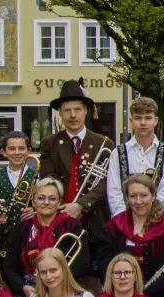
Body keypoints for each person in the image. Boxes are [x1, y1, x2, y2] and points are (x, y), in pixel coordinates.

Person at [103, 173, 164, 297]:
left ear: (153, 196)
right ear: (127, 197)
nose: (138, 201)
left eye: (144, 195)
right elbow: (104, 262)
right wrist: (125, 289)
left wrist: (146, 293)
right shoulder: (114, 226)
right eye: (133, 196)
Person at [0, 178, 92, 297]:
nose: (46, 202)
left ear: (59, 202)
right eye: (41, 198)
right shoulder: (21, 229)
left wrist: (54, 280)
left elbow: (82, 263)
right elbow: (9, 268)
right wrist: (23, 287)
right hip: (29, 289)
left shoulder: (72, 226)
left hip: (63, 287)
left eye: (52, 199)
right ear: (33, 202)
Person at [39, 80, 114, 225]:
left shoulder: (104, 143)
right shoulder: (49, 143)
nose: (73, 115)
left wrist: (80, 205)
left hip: (95, 217)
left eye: (77, 109)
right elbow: (49, 178)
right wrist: (65, 207)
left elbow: (105, 182)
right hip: (61, 214)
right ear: (60, 112)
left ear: (85, 111)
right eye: (67, 110)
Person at [108, 96, 164, 218]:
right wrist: (124, 222)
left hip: (157, 222)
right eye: (138, 118)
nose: (143, 123)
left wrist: (150, 221)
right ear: (131, 121)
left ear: (156, 120)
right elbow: (113, 191)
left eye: (148, 118)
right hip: (124, 223)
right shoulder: (117, 153)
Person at [0, 131, 38, 255]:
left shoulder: (36, 176)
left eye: (21, 148)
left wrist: (34, 212)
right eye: (12, 149)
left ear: (29, 151)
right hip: (4, 236)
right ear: (4, 152)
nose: (17, 152)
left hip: (30, 234)